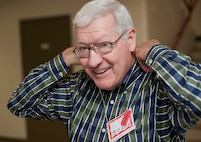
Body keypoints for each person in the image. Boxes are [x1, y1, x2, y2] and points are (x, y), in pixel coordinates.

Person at [7, 0, 201, 141]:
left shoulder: (159, 90)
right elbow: (20, 104)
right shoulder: (76, 88)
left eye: (104, 44)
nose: (93, 61)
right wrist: (64, 59)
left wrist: (155, 52)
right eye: (84, 48)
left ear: (130, 39)